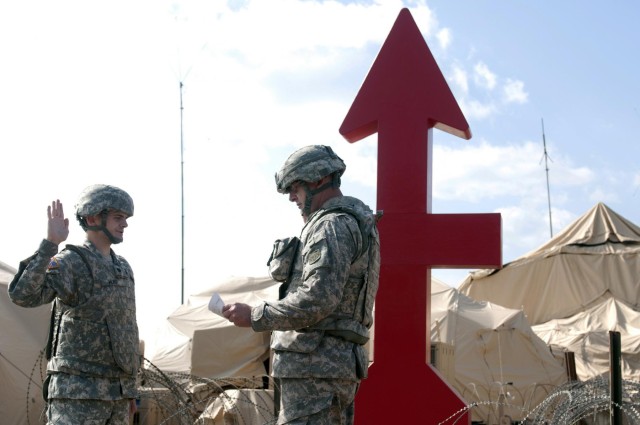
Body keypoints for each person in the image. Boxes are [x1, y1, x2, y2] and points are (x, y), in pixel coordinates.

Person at [223, 145, 381, 424]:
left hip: (315, 370)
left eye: (296, 188)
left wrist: (255, 315)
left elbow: (317, 299)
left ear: (318, 179)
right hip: (323, 368)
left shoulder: (331, 226)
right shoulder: (351, 222)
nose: (292, 198)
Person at [8, 184, 140, 425]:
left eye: (126, 218)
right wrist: (50, 244)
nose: (125, 224)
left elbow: (128, 329)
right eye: (118, 217)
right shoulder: (71, 262)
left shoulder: (123, 269)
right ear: (92, 218)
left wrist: (129, 391)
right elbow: (22, 295)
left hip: (117, 397)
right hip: (78, 397)